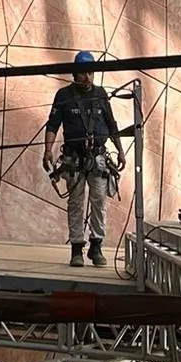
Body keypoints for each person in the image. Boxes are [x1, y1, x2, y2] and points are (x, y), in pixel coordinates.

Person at [43, 52, 125, 268]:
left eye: (90, 73)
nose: (87, 77)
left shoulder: (101, 94)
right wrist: (47, 150)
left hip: (97, 157)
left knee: (99, 201)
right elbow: (52, 124)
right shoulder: (64, 96)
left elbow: (111, 124)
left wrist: (120, 150)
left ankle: (96, 246)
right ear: (75, 74)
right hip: (74, 158)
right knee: (76, 203)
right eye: (83, 73)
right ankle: (77, 248)